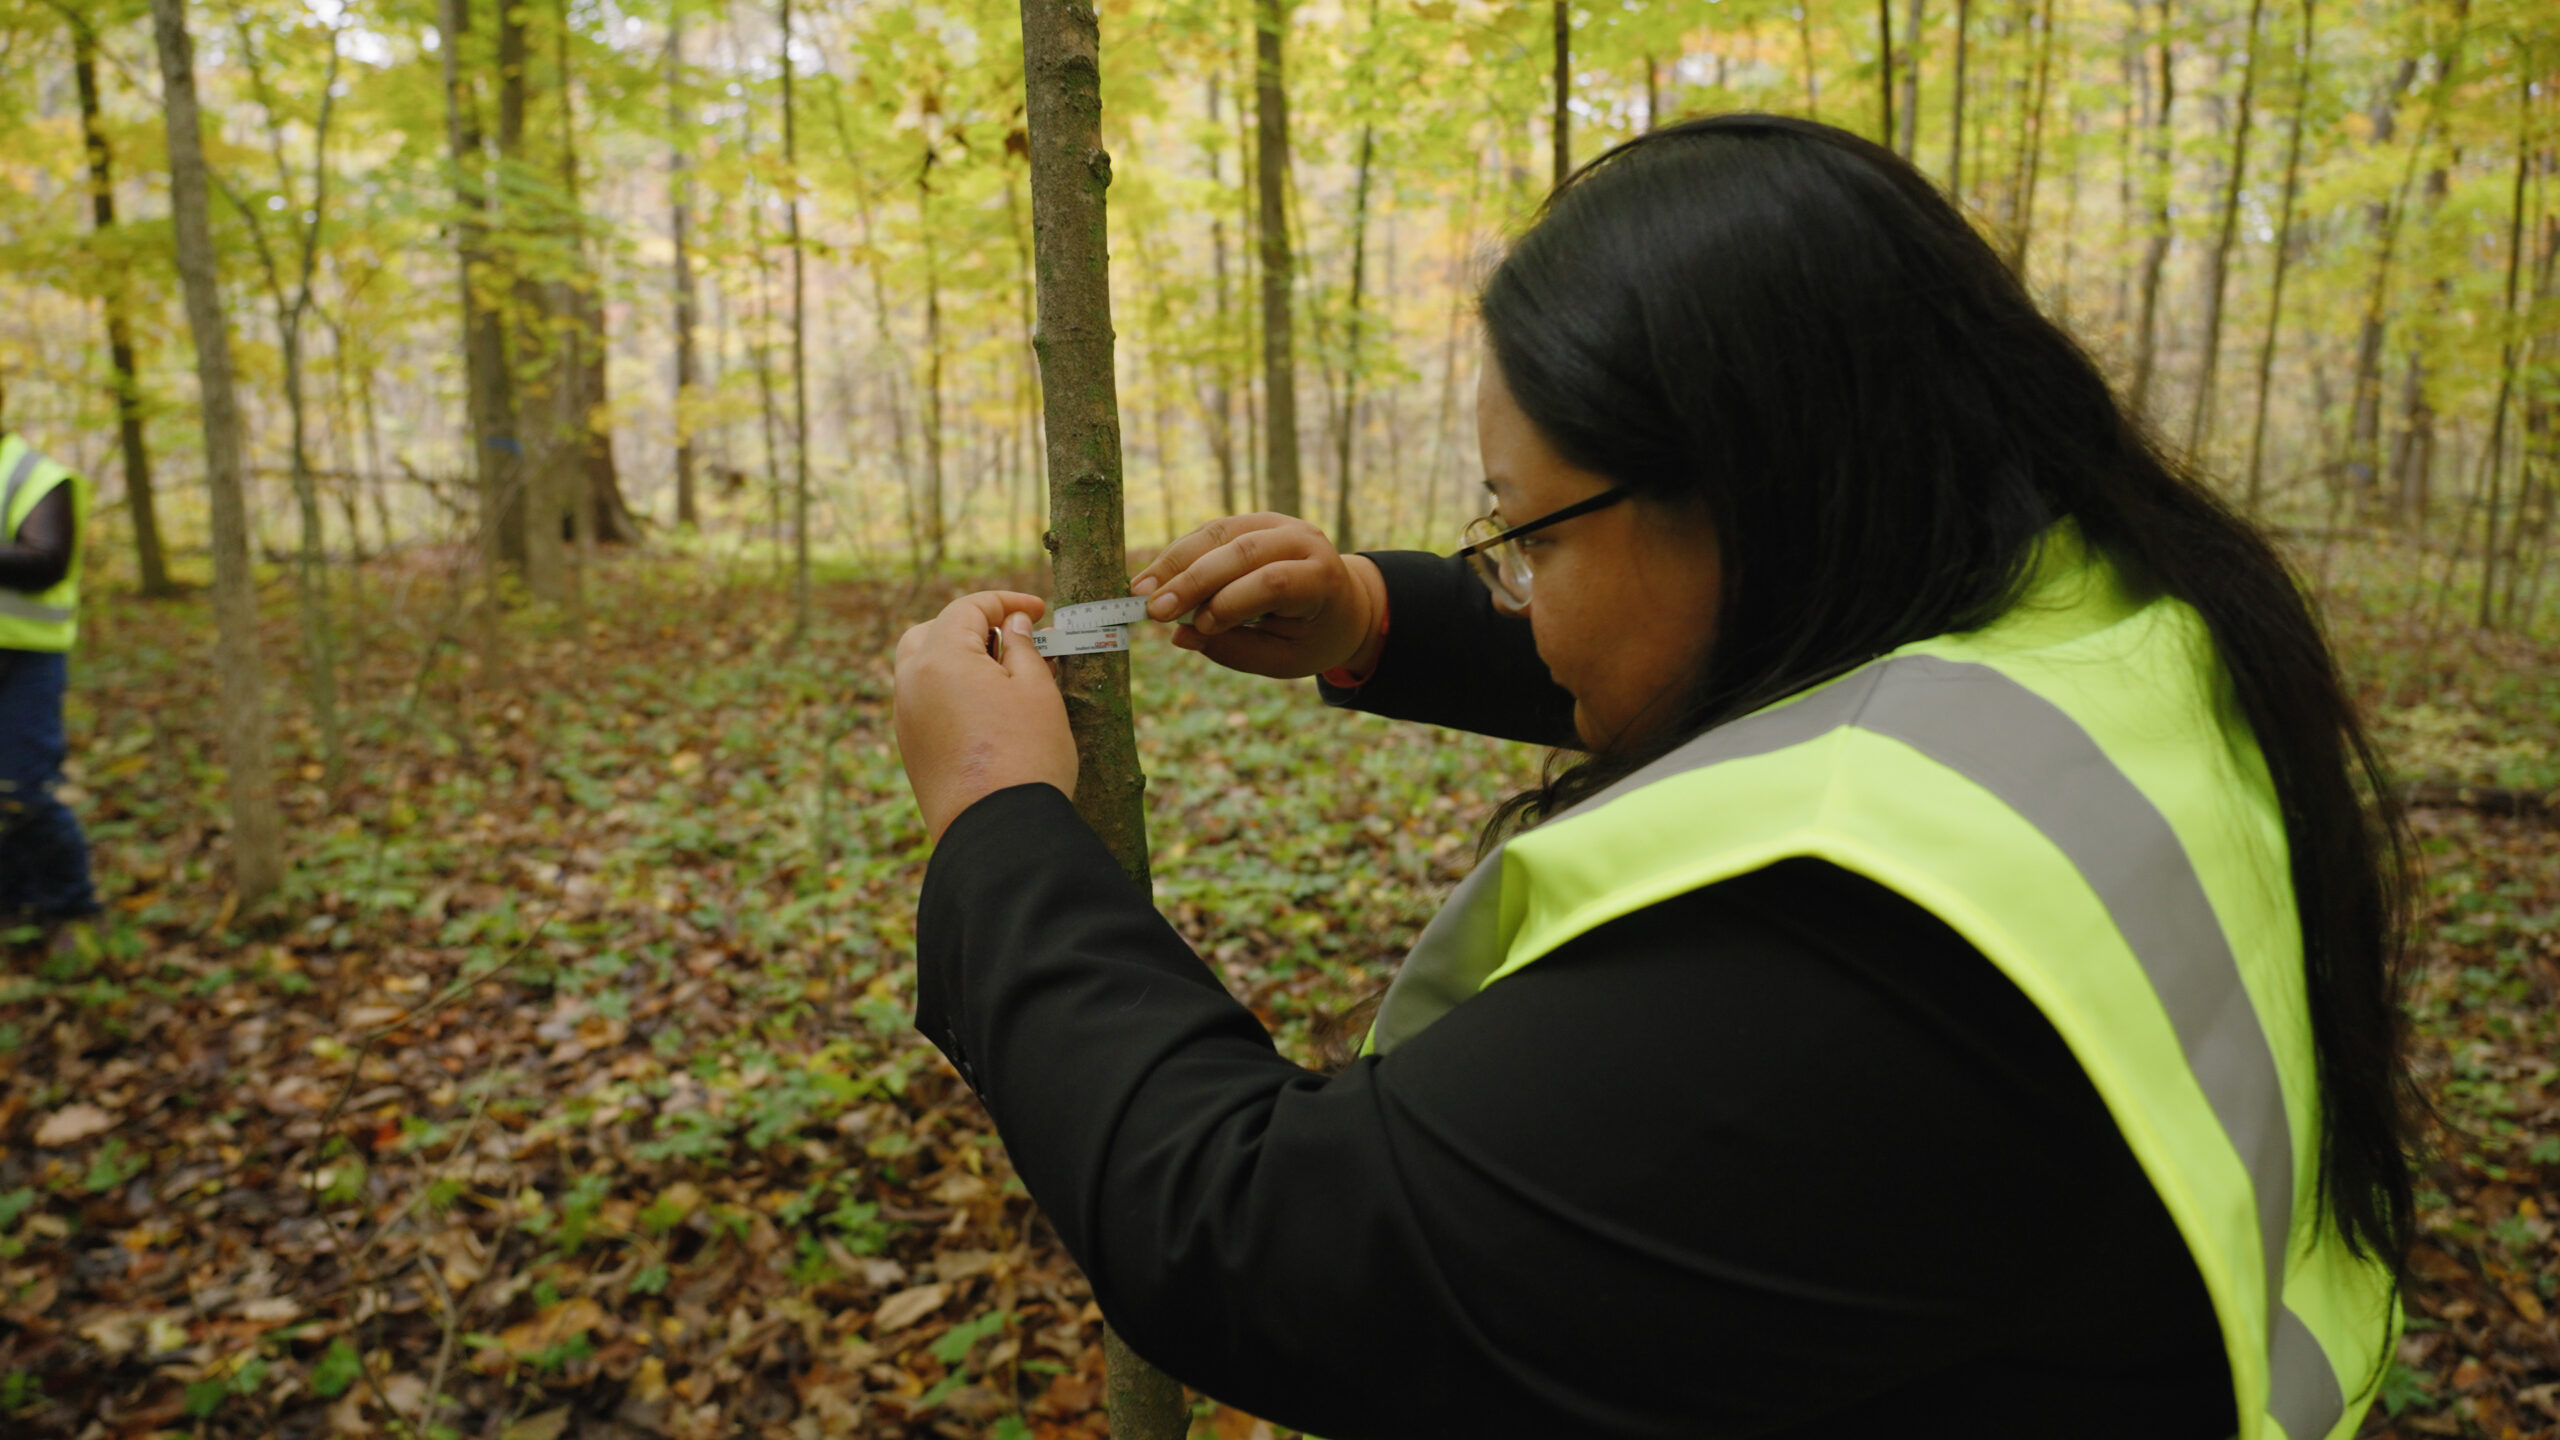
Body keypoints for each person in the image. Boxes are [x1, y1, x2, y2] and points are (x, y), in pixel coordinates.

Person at [891, 115, 2416, 1440]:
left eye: (1532, 534)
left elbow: (1258, 1243)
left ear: (1753, 491)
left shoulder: (1852, 952)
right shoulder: (2120, 622)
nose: (1525, 593)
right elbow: (1813, 679)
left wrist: (999, 824)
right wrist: (1371, 617)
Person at [0, 420, 99, 937]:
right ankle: (14, 907)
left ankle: (71, 910)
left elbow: (47, 561)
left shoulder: (35, 475)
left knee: (23, 789)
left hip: (22, 660)